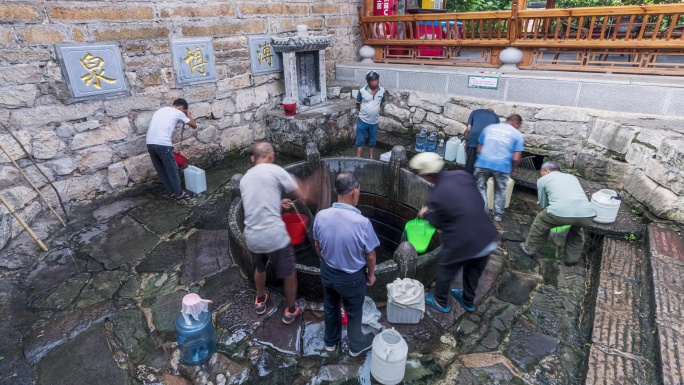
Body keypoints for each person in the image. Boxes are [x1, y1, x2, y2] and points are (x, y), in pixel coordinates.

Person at [409, 152, 499, 313]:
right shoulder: (462, 175)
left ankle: (440, 300)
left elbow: (437, 221)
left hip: (464, 240)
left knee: (445, 266)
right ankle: (468, 300)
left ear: (427, 175)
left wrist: (425, 214)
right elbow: (473, 200)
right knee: (473, 270)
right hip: (486, 237)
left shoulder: (439, 194)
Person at [240, 142, 307, 324]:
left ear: (253, 159)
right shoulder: (276, 170)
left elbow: (257, 204)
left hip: (252, 236)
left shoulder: (244, 179)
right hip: (274, 236)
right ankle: (291, 309)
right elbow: (304, 195)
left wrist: (278, 204)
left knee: (260, 267)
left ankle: (260, 300)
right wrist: (308, 188)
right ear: (271, 156)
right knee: (289, 271)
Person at [313, 172, 379, 357]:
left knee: (331, 306)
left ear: (336, 191)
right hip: (351, 278)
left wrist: (323, 260)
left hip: (327, 271)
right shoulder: (362, 223)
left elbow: (317, 244)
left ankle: (330, 343)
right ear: (354, 192)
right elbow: (371, 255)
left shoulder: (321, 216)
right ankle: (356, 346)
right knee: (354, 311)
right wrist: (371, 274)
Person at [519, 161, 597, 266]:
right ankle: (572, 259)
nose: (541, 174)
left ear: (546, 170)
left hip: (560, 212)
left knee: (541, 221)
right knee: (577, 229)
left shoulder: (543, 180)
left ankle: (529, 249)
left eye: (541, 172)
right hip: (587, 214)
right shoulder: (572, 177)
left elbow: (543, 203)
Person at [474, 114, 525, 222]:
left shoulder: (489, 128)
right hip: (502, 166)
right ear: (517, 123)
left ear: (507, 120)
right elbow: (516, 158)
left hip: (483, 162)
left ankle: (483, 212)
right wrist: (512, 170)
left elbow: (479, 148)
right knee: (500, 191)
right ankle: (497, 215)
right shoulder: (517, 135)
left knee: (480, 187)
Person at [146, 98, 197, 200]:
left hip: (149, 143)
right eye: (184, 111)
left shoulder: (160, 110)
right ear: (182, 108)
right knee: (172, 169)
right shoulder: (178, 112)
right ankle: (179, 194)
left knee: (161, 170)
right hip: (163, 144)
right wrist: (188, 114)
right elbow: (194, 125)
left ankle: (171, 192)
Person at [355, 70, 387, 159]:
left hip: (374, 121)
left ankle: (371, 157)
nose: (375, 82)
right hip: (363, 120)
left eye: (376, 80)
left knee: (372, 141)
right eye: (373, 80)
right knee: (360, 140)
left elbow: (381, 103)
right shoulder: (362, 91)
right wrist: (365, 112)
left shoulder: (382, 91)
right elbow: (358, 104)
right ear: (368, 81)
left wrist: (374, 111)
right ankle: (358, 157)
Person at [464, 108, 499, 174]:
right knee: (484, 164)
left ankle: (467, 178)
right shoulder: (495, 117)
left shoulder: (475, 112)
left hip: (473, 137)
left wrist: (466, 144)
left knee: (470, 162)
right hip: (487, 140)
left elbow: (468, 129)